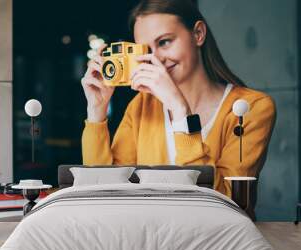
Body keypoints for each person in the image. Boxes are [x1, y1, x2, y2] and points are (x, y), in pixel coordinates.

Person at [80, 0, 276, 198]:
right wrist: (97, 111)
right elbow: (105, 190)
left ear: (198, 34)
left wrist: (180, 112)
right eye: (146, 51)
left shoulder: (251, 108)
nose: (156, 59)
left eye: (164, 42)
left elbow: (227, 199)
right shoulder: (141, 105)